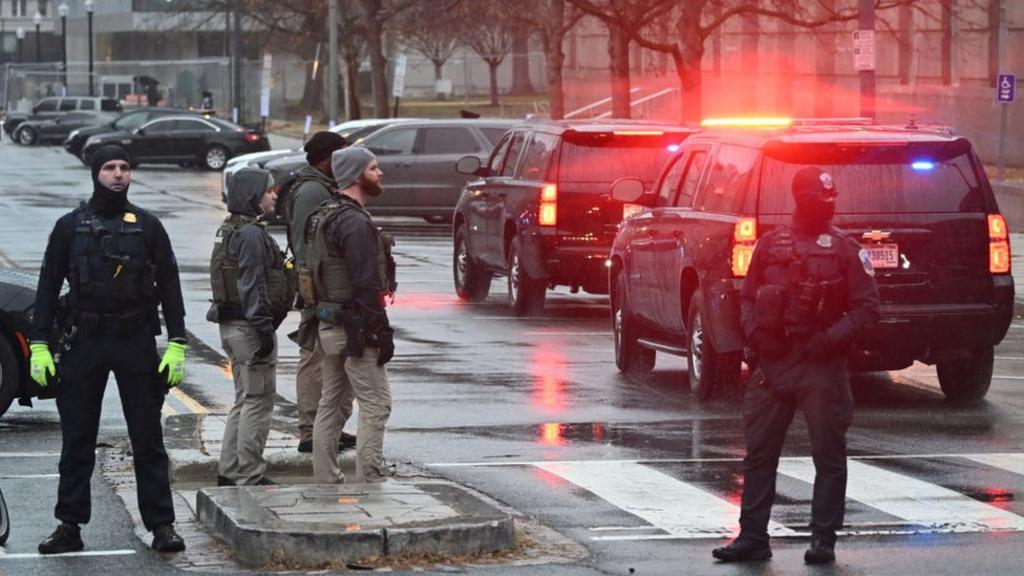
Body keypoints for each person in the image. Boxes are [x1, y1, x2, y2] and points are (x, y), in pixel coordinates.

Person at [712, 167, 880, 565]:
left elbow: (866, 309)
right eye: (817, 198)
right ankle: (753, 537)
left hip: (822, 367)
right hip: (774, 364)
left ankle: (823, 539)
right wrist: (759, 338)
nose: (826, 204)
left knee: (828, 455)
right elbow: (748, 298)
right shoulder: (770, 245)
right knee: (758, 454)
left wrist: (827, 340)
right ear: (798, 198)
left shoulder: (846, 249)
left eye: (830, 198)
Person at [29, 145, 189, 554]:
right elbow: (48, 287)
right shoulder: (69, 227)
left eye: (124, 167)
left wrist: (177, 342)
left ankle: (162, 525)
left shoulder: (148, 226)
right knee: (77, 438)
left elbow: (169, 285)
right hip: (85, 339)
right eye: (109, 168)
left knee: (148, 438)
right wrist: (40, 344)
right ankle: (69, 525)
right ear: (95, 173)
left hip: (134, 339)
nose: (118, 174)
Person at [309, 147, 396, 484]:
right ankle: (371, 479)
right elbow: (365, 282)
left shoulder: (326, 214)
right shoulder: (354, 222)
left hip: (330, 325)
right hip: (355, 330)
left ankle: (325, 478)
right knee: (377, 404)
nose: (381, 173)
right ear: (356, 175)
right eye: (374, 168)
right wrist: (380, 330)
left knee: (332, 403)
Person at [208, 167, 293, 486]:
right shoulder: (252, 235)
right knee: (258, 401)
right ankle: (250, 473)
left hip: (232, 327)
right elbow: (252, 284)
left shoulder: (230, 228)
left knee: (245, 399)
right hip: (249, 328)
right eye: (269, 191)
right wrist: (263, 329)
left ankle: (229, 470)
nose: (274, 196)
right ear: (254, 197)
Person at [285, 131, 356, 454]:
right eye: (342, 153)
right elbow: (305, 244)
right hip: (317, 289)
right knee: (313, 358)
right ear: (328, 158)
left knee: (332, 360)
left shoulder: (324, 186)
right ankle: (311, 429)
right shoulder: (311, 190)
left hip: (331, 287)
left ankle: (330, 426)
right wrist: (312, 288)